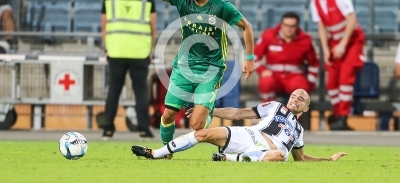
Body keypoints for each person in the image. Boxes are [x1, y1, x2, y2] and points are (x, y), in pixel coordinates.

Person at [144, 0, 256, 147]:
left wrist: (249, 58)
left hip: (211, 70)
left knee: (197, 124)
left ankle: (206, 112)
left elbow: (247, 26)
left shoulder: (221, 6)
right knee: (169, 113)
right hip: (184, 67)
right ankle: (166, 150)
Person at [131, 89, 347, 162]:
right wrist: (210, 110)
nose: (295, 99)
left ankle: (228, 159)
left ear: (306, 108)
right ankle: (155, 153)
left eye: (301, 99)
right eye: (294, 95)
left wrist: (329, 159)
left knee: (281, 156)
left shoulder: (298, 131)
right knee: (203, 133)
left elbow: (302, 158)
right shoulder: (274, 106)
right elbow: (237, 113)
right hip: (248, 135)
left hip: (267, 152)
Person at [101, 0, 157, 139]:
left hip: (116, 50)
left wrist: (107, 48)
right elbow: (152, 28)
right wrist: (149, 51)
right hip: (139, 51)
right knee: (140, 90)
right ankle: (144, 129)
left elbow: (104, 27)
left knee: (114, 90)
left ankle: (108, 129)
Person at [310, 0, 365, 131]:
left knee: (345, 78)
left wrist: (343, 44)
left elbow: (352, 20)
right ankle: (338, 113)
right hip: (334, 41)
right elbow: (321, 27)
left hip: (352, 40)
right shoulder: (315, 2)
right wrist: (326, 50)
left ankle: (343, 116)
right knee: (332, 81)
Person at [255, 11, 319, 103]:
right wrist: (262, 70)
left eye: (292, 26)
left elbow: (314, 64)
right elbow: (254, 57)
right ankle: (269, 112)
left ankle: (293, 116)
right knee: (266, 82)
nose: (288, 29)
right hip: (273, 75)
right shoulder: (268, 36)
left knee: (301, 90)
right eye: (286, 25)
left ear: (297, 27)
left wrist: (310, 84)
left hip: (294, 76)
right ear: (281, 25)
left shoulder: (305, 40)